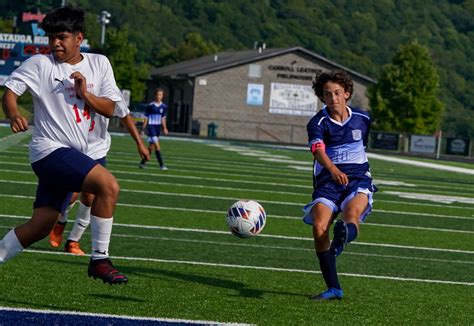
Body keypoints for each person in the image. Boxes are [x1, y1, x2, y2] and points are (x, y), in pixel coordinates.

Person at [0, 6, 128, 284]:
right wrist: (13, 114)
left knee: (40, 226)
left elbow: (110, 108)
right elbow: (9, 94)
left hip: (74, 154)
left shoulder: (99, 63)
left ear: (79, 37)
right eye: (51, 38)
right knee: (108, 186)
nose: (55, 43)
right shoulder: (40, 65)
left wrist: (86, 94)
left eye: (62, 37)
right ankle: (100, 259)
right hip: (49, 151)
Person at [302, 70, 377, 300]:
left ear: (347, 93)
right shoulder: (318, 122)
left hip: (358, 178)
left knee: (351, 212)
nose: (333, 97)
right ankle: (334, 288)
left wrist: (350, 169)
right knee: (319, 227)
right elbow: (317, 150)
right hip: (328, 181)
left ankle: (343, 237)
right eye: (327, 94)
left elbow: (361, 145)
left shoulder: (362, 118)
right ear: (322, 98)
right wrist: (333, 169)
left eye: (337, 92)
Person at [49, 89, 150, 254]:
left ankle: (73, 241)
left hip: (97, 148)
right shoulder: (73, 82)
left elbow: (124, 115)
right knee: (71, 193)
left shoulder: (109, 89)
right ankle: (61, 220)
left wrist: (139, 143)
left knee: (91, 195)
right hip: (73, 146)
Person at [138, 88, 169, 170]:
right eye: (158, 94)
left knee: (151, 148)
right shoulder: (151, 106)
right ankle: (161, 165)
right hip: (151, 128)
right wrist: (143, 128)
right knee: (157, 147)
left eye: (161, 95)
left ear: (162, 96)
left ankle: (142, 163)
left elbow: (163, 118)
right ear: (155, 95)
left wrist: (165, 128)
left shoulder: (164, 107)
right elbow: (146, 117)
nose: (159, 96)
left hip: (157, 128)